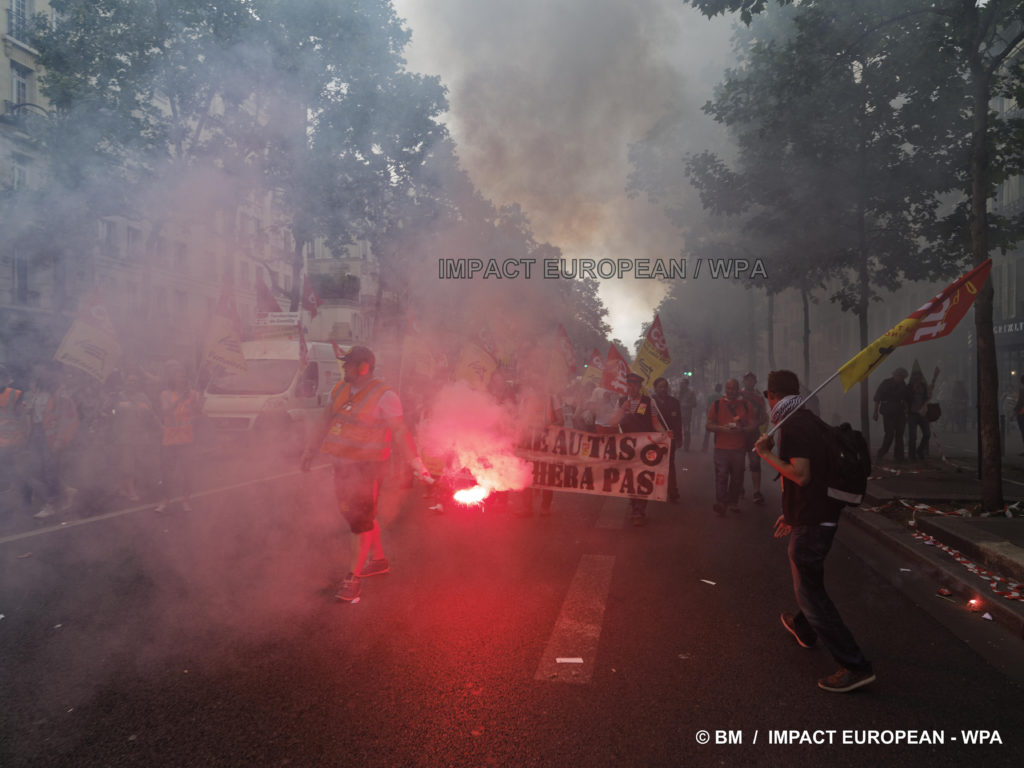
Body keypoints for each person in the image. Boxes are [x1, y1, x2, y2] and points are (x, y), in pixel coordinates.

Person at [755, 370, 875, 693]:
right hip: (815, 515)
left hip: (815, 522)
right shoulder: (806, 417)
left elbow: (802, 475)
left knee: (810, 592)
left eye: (767, 397)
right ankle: (804, 628)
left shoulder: (793, 424)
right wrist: (791, 514)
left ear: (772, 396)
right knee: (811, 580)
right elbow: (814, 478)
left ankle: (854, 664)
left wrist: (765, 455)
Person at [302, 346, 432, 602]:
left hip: (368, 467)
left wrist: (416, 463)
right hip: (343, 466)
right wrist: (310, 450)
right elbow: (324, 420)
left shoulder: (385, 396)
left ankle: (353, 581)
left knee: (358, 521)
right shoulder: (339, 389)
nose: (343, 367)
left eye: (348, 364)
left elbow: (399, 431)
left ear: (363, 368)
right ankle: (379, 560)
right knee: (360, 515)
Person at [608, 372, 667, 526]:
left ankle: (639, 510)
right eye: (629, 385)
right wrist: (622, 409)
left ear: (640, 387)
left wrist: (665, 434)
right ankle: (635, 504)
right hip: (628, 450)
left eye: (634, 385)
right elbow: (613, 422)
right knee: (630, 479)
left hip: (645, 449)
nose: (631, 388)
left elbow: (655, 423)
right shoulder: (621, 402)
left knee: (643, 478)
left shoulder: (649, 402)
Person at [22, 364, 80, 519]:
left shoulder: (60, 395)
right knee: (36, 469)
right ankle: (66, 490)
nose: (36, 373)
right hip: (34, 434)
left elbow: (65, 419)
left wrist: (60, 439)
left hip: (51, 437)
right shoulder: (35, 392)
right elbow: (30, 413)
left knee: (50, 470)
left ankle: (52, 503)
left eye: (40, 371)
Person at [155, 360, 202, 513]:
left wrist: (195, 402)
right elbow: (165, 412)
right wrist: (181, 399)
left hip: (187, 440)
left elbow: (198, 414)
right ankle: (165, 500)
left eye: (183, 376)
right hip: (169, 440)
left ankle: (186, 500)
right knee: (167, 473)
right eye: (177, 376)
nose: (181, 378)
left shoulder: (194, 394)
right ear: (172, 379)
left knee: (187, 472)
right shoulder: (165, 394)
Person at [109, 368, 159, 501]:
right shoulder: (118, 396)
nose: (132, 384)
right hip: (124, 437)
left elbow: (150, 414)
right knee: (128, 465)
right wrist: (121, 407)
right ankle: (131, 491)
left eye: (135, 381)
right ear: (125, 382)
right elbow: (112, 412)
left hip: (140, 437)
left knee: (137, 463)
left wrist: (161, 427)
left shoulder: (142, 397)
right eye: (130, 381)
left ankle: (121, 487)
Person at [705, 378, 754, 515]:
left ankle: (733, 502)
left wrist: (742, 430)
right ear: (725, 390)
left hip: (739, 448)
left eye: (733, 388)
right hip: (721, 447)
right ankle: (721, 503)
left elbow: (752, 425)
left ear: (738, 389)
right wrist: (722, 428)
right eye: (728, 388)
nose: (731, 391)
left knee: (737, 477)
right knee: (721, 475)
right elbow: (708, 425)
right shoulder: (716, 404)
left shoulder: (745, 405)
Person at [739, 372, 768, 505]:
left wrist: (756, 424)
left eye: (752, 380)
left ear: (755, 381)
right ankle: (739, 487)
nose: (749, 382)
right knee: (738, 464)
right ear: (743, 381)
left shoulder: (759, 398)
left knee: (755, 463)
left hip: (754, 434)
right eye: (747, 380)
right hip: (739, 434)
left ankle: (756, 491)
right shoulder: (738, 395)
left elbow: (764, 416)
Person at [652, 377, 682, 503]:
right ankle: (656, 490)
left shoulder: (674, 402)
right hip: (654, 439)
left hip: (670, 439)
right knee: (655, 465)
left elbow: (678, 422)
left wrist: (679, 438)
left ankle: (673, 492)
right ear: (655, 388)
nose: (663, 389)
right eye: (660, 387)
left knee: (670, 465)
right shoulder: (650, 402)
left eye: (665, 386)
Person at [0, 364, 27, 500]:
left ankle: (20, 494)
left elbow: (23, 417)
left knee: (11, 468)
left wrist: (23, 438)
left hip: (11, 439)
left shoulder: (16, 394)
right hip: (5, 440)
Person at [873, 367, 910, 462]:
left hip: (899, 412)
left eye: (903, 377)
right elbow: (877, 398)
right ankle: (881, 453)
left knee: (899, 434)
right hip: (888, 412)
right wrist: (875, 412)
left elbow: (905, 398)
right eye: (899, 376)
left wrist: (906, 410)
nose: (901, 378)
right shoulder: (886, 383)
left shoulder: (903, 384)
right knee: (889, 434)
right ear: (894, 375)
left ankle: (899, 456)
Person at [907, 367, 938, 461]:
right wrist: (913, 390)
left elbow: (928, 395)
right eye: (915, 377)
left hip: (922, 414)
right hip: (912, 414)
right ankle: (911, 456)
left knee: (927, 434)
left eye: (919, 377)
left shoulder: (924, 386)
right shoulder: (909, 387)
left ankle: (920, 451)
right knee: (912, 436)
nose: (917, 379)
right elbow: (906, 398)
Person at [677, 377, 697, 452]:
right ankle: (677, 445)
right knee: (677, 430)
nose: (681, 385)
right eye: (680, 383)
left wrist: (686, 405)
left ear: (686, 384)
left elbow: (695, 404)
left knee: (686, 431)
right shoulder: (677, 392)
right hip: (677, 415)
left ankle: (686, 446)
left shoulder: (691, 392)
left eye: (682, 383)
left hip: (686, 415)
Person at [701, 383, 722, 453]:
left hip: (710, 415)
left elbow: (707, 406)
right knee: (717, 433)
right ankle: (717, 447)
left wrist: (707, 415)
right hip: (718, 417)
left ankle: (704, 447)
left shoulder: (710, 396)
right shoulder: (722, 397)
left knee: (707, 433)